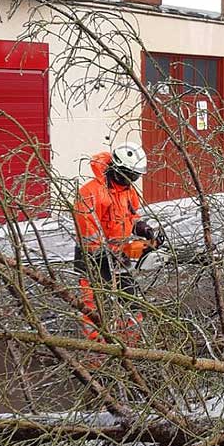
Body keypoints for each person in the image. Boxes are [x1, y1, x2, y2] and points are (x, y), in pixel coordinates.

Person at [73, 144, 161, 343]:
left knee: (131, 303)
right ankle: (96, 354)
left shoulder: (128, 191)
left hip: (117, 255)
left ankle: (129, 346)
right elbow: (88, 232)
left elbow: (131, 216)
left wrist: (142, 228)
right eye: (132, 175)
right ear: (120, 171)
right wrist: (104, 252)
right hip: (92, 259)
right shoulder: (91, 193)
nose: (134, 179)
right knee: (94, 308)